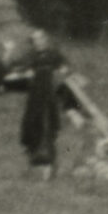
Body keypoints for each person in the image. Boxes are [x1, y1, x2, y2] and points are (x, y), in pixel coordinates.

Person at [19, 30, 75, 178]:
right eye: (36, 40)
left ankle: (50, 162)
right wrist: (27, 72)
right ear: (33, 42)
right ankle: (33, 160)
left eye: (41, 39)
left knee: (50, 126)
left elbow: (65, 65)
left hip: (50, 95)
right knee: (32, 125)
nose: (39, 42)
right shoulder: (31, 55)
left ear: (46, 40)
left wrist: (63, 68)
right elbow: (24, 67)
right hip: (35, 96)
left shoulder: (53, 54)